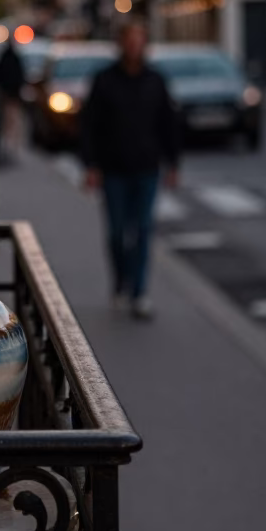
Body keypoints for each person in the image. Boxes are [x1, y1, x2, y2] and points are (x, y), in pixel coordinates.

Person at [81, 18, 180, 318]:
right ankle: (120, 282)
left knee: (143, 230)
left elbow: (168, 122)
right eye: (130, 40)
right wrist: (91, 164)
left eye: (140, 40)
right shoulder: (105, 80)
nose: (135, 46)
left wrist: (173, 162)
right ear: (121, 44)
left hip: (147, 167)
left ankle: (139, 292)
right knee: (116, 232)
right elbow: (89, 125)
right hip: (113, 168)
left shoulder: (155, 80)